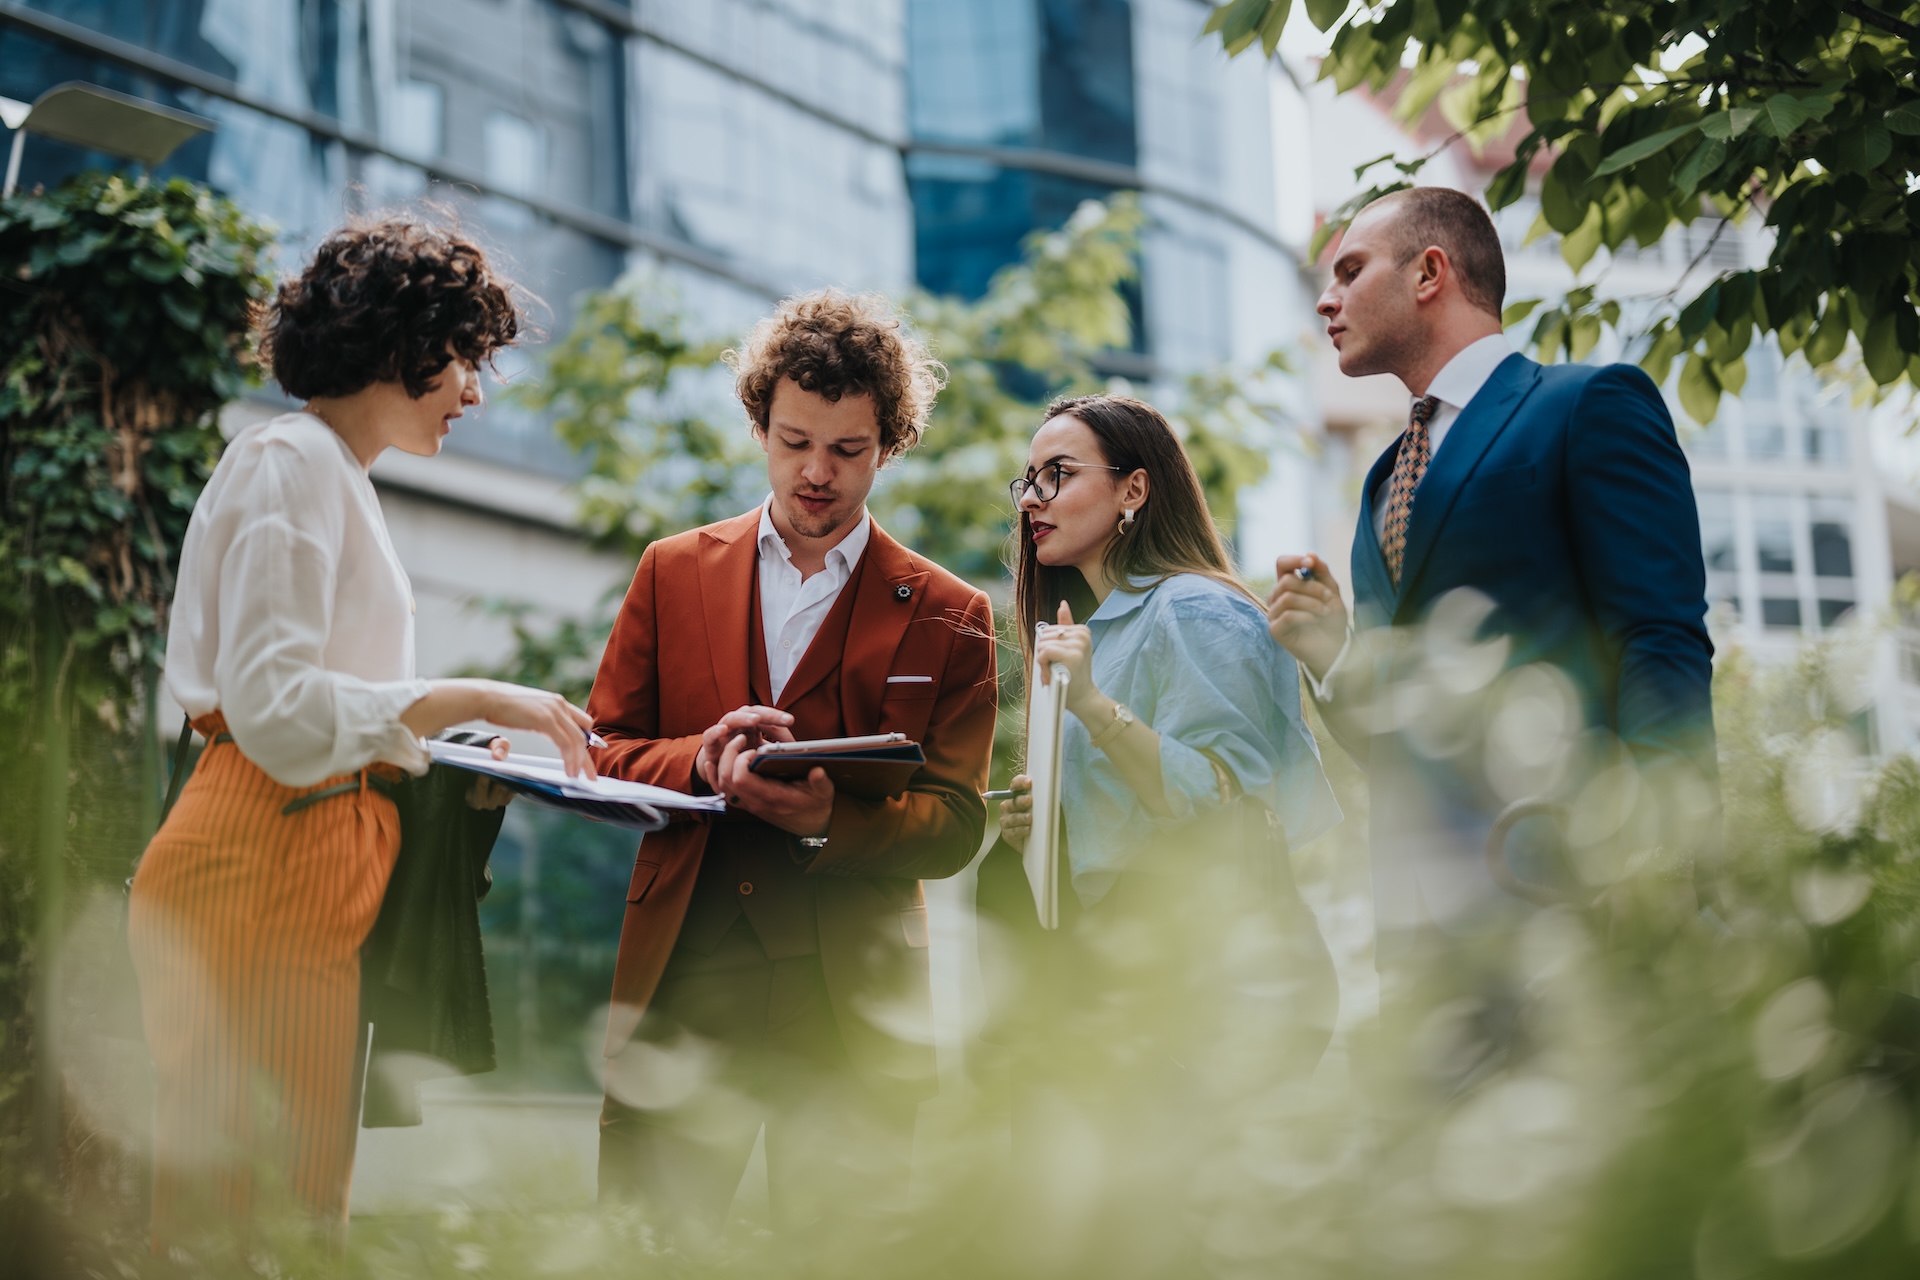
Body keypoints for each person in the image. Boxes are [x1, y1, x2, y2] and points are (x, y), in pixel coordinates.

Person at [127, 218, 597, 1251]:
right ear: (400, 340)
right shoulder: (291, 461)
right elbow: (279, 711)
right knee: (253, 1224)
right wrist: (474, 696)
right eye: (466, 358)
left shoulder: (330, 473)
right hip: (265, 843)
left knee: (283, 1218)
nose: (475, 392)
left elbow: (314, 710)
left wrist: (435, 755)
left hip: (299, 850)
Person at [1265, 187, 1716, 1046]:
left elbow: (1658, 637)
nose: (1327, 299)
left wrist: (1663, 850)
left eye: (1351, 270)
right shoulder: (1382, 479)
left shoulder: (1588, 406)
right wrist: (1332, 658)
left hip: (1577, 888)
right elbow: (1402, 731)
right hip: (1422, 931)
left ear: (1430, 272)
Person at [587, 290, 997, 1233]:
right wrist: (699, 762)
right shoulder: (671, 570)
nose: (817, 472)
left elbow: (957, 822)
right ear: (759, 428)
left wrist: (830, 824)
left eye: (848, 451)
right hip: (687, 974)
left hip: (850, 1005)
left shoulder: (951, 612)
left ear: (888, 445)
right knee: (646, 1250)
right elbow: (604, 749)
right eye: (794, 442)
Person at [981, 395, 1341, 1259]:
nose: (1032, 497)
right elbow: (1125, 813)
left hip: (1195, 989)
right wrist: (1046, 820)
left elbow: (1229, 799)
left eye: (1059, 475)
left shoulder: (1193, 610)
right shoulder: (1092, 626)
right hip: (1120, 987)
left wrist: (1098, 709)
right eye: (1028, 479)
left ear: (1134, 489)